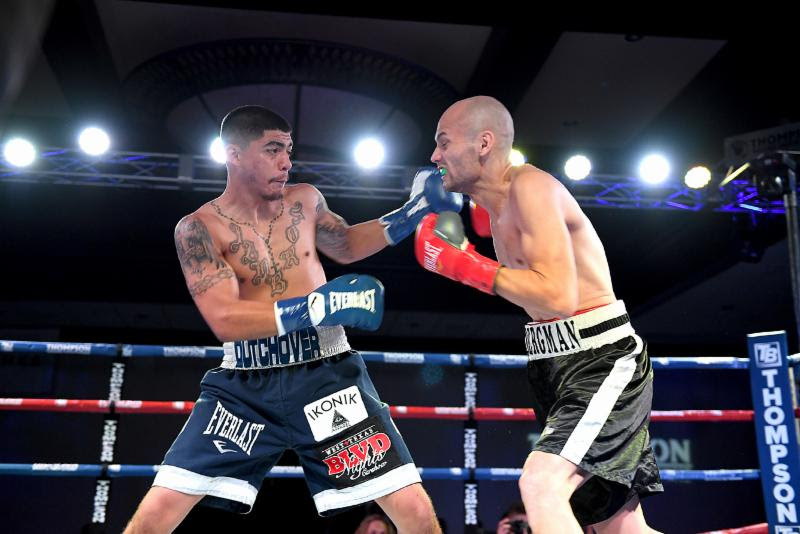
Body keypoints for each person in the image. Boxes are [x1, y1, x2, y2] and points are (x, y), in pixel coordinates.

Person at [123, 104, 462, 534]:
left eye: (288, 149)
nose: (286, 161)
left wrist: (414, 210)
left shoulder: (305, 200)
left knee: (414, 510)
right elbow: (225, 318)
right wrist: (315, 308)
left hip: (325, 378)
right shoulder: (198, 228)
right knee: (155, 516)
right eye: (272, 149)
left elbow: (345, 245)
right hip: (245, 388)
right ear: (233, 154)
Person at [414, 96, 663, 533]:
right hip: (552, 364)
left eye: (444, 142)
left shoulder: (531, 188)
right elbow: (534, 296)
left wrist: (464, 264)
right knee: (618, 526)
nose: (435, 156)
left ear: (484, 144)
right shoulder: (492, 210)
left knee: (541, 485)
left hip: (600, 359)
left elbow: (558, 297)